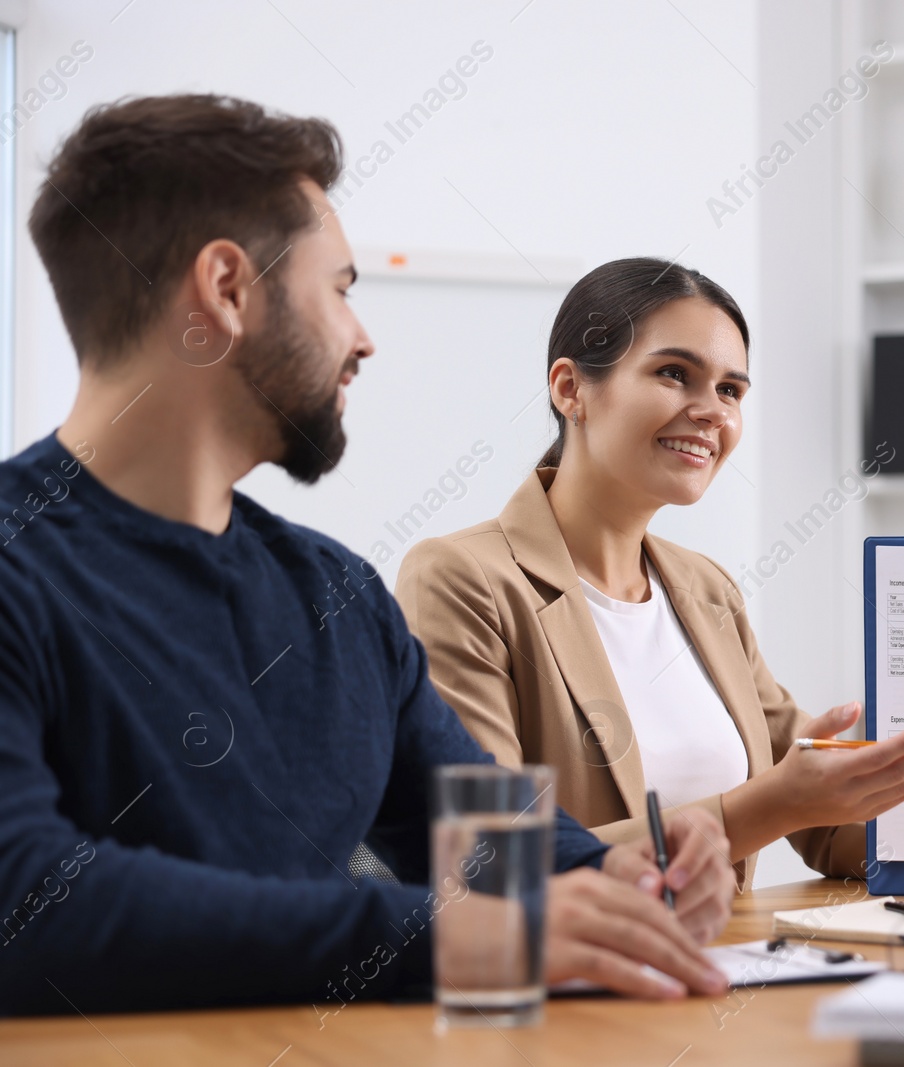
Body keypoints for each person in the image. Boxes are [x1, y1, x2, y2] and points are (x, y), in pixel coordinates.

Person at [0, 94, 734, 1016]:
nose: (363, 337)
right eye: (341, 288)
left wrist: (628, 881)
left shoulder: (335, 595)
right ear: (226, 290)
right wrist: (441, 933)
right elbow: (24, 905)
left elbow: (484, 832)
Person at [396, 258, 904, 887]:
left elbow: (832, 830)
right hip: (575, 1009)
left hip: (731, 977)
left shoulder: (705, 590)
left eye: (730, 389)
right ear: (570, 388)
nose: (710, 411)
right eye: (674, 373)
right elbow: (486, 861)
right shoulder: (462, 578)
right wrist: (774, 806)